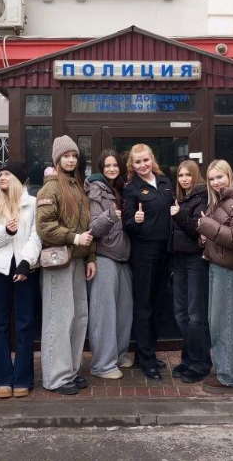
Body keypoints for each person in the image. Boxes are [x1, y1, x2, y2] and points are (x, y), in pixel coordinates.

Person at [36, 136, 96, 395]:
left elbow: (87, 226)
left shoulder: (76, 185)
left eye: (74, 156)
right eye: (66, 156)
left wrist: (90, 257)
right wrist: (73, 238)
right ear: (57, 159)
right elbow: (44, 227)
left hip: (78, 259)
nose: (71, 160)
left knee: (78, 317)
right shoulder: (50, 188)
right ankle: (55, 377)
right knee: (59, 319)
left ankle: (70, 371)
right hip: (59, 261)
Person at [196, 159, 233, 394]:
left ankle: (229, 376)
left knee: (226, 322)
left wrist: (206, 226)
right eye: (211, 179)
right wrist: (205, 236)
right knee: (217, 321)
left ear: (229, 176)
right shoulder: (221, 201)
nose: (215, 182)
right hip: (217, 265)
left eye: (219, 177)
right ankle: (223, 368)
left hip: (229, 269)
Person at [0, 160, 41, 399]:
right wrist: (6, 231)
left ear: (18, 179)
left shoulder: (32, 203)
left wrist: (26, 262)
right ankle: (1, 378)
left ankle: (23, 378)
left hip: (25, 268)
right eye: (0, 174)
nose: (2, 178)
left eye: (7, 174)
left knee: (25, 323)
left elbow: (37, 236)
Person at [122, 144, 175, 381]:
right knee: (143, 306)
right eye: (137, 162)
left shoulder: (165, 182)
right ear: (132, 165)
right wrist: (135, 219)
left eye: (145, 160)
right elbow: (127, 224)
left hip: (166, 250)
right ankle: (145, 358)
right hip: (144, 252)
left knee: (158, 303)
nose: (142, 165)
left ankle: (149, 351)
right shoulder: (131, 189)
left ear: (152, 159)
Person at [85, 150, 133, 380]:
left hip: (123, 257)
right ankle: (102, 364)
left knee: (124, 311)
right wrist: (111, 216)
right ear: (101, 168)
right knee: (104, 314)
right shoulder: (95, 190)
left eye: (115, 165)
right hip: (104, 257)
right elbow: (92, 228)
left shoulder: (120, 189)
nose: (112, 169)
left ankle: (118, 356)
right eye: (108, 166)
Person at [169, 160, 211, 384]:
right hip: (179, 259)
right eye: (180, 175)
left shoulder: (202, 197)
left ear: (196, 176)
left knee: (196, 314)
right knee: (181, 312)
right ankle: (188, 358)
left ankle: (201, 362)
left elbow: (198, 229)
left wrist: (178, 215)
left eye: (188, 175)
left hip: (195, 260)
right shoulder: (181, 199)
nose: (184, 179)